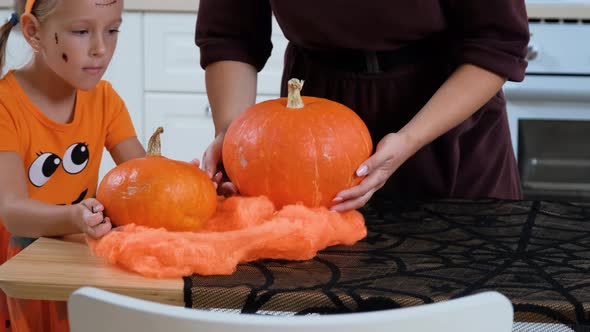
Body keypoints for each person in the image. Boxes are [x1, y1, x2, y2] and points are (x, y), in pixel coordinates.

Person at [194, 1, 530, 212]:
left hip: (445, 118)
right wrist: (232, 132)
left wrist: (410, 139)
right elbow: (230, 36)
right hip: (314, 128)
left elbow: (497, 44)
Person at [0, 0, 145, 330]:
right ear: (34, 32)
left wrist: (194, 184)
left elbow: (145, 178)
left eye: (112, 30)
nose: (101, 49)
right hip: (22, 272)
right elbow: (12, 211)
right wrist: (74, 216)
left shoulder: (105, 100)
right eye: (81, 31)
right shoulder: (5, 106)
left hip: (76, 266)